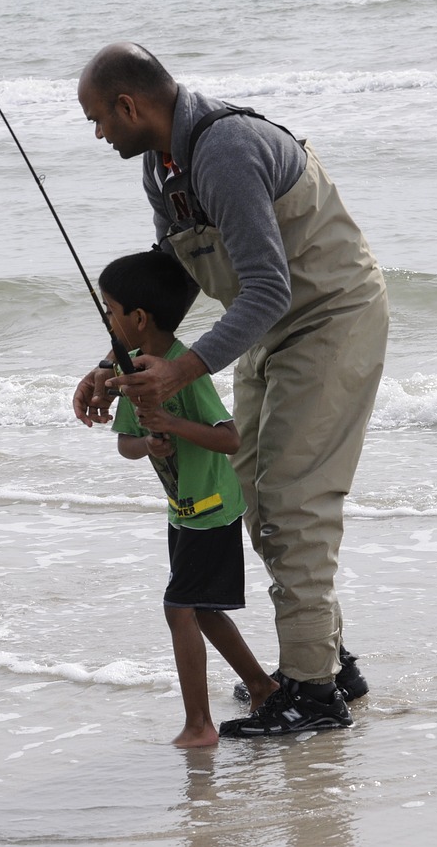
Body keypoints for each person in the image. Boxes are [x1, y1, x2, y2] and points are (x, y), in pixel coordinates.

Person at [73, 43, 389, 737]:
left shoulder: (224, 150)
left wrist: (181, 371)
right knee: (254, 487)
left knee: (292, 501)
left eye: (98, 119)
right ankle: (333, 666)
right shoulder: (164, 168)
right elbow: (169, 280)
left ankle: (312, 695)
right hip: (269, 330)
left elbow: (272, 285)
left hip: (330, 317)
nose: (99, 134)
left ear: (131, 106)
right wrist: (114, 362)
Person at [97, 249, 279, 748]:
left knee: (179, 608)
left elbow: (231, 439)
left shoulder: (181, 370)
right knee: (201, 610)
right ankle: (262, 685)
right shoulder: (135, 371)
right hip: (182, 512)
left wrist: (174, 423)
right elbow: (124, 446)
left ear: (137, 318)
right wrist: (148, 442)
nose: (106, 320)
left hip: (214, 510)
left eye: (109, 310)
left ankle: (199, 725)